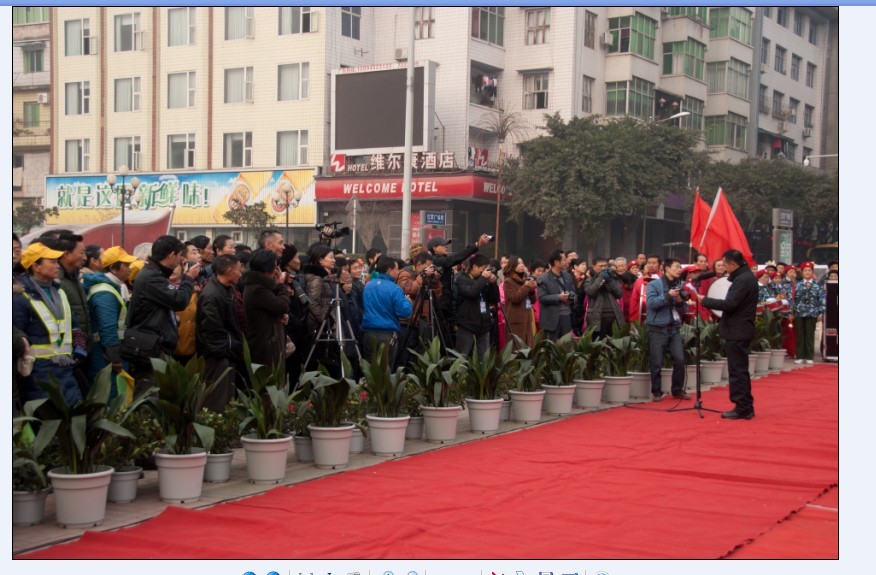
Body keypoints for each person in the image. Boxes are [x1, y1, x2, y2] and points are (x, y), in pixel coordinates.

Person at [12, 242, 88, 406]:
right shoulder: (20, 297)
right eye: (52, 262)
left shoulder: (59, 291)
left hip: (66, 367)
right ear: (36, 267)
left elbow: (73, 323)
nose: (57, 265)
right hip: (39, 372)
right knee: (48, 416)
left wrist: (80, 345)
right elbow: (17, 335)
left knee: (73, 413)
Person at [126, 235, 201, 397]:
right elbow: (179, 301)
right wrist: (188, 278)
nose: (181, 260)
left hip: (154, 344)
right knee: (147, 396)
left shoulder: (155, 274)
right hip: (149, 346)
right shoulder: (151, 277)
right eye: (180, 256)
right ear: (171, 255)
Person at [698, 249, 758, 420]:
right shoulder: (745, 277)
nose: (724, 268)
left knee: (737, 371)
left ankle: (742, 407)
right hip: (739, 329)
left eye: (725, 265)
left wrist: (705, 300)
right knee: (740, 370)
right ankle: (745, 405)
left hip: (738, 330)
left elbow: (731, 304)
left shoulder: (743, 280)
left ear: (733, 264)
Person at [82, 246, 138, 384]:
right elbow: (108, 326)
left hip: (106, 351)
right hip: (104, 355)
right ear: (113, 268)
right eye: (126, 265)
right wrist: (115, 357)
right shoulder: (105, 292)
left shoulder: (110, 287)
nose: (130, 269)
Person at [196, 254, 244, 411]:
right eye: (238, 270)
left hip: (227, 353)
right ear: (229, 271)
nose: (240, 274)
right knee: (216, 400)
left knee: (227, 399)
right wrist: (225, 351)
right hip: (217, 357)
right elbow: (211, 330)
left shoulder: (226, 289)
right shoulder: (212, 294)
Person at [429, 234, 491, 344]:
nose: (446, 247)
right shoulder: (436, 260)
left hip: (446, 305)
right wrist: (477, 245)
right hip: (439, 305)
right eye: (443, 245)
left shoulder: (444, 261)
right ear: (434, 248)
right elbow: (457, 257)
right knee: (440, 339)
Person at [646, 259, 690, 401]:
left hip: (674, 328)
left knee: (680, 359)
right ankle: (656, 391)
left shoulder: (680, 285)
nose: (679, 270)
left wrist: (680, 302)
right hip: (658, 328)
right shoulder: (654, 284)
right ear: (667, 269)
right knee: (657, 362)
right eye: (676, 267)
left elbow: (683, 310)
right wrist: (668, 295)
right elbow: (651, 304)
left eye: (680, 267)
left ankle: (677, 390)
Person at [243, 249, 290, 370]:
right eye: (275, 266)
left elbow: (273, 308)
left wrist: (279, 316)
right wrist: (281, 285)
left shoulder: (261, 285)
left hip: (269, 340)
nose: (277, 270)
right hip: (265, 344)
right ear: (269, 269)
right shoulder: (257, 289)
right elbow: (282, 305)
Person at [361, 256, 412, 365]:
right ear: (389, 270)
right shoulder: (394, 288)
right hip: (387, 333)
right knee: (385, 369)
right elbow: (404, 312)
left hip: (368, 333)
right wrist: (407, 302)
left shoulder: (368, 286)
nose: (398, 272)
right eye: (396, 269)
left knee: (370, 369)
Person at [396, 251, 441, 365]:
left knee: (421, 352)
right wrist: (422, 276)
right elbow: (408, 289)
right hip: (408, 321)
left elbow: (437, 296)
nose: (430, 269)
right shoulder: (405, 273)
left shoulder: (426, 277)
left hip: (423, 320)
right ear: (419, 264)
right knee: (405, 353)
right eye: (428, 266)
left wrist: (435, 281)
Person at [454, 253, 499, 356]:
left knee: (484, 359)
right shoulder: (462, 279)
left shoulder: (484, 280)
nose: (485, 272)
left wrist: (493, 284)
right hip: (467, 326)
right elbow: (472, 292)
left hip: (483, 326)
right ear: (474, 267)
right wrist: (483, 279)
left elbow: (494, 299)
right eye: (483, 269)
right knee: (462, 357)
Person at [791, 261, 825, 365]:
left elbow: (822, 299)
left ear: (812, 272)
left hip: (812, 313)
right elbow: (793, 299)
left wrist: (821, 313)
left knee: (810, 335)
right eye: (805, 270)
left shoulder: (817, 285)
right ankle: (800, 356)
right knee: (800, 335)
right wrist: (791, 312)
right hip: (799, 313)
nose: (807, 272)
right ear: (802, 272)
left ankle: (809, 356)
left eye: (809, 270)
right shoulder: (797, 285)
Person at [537, 249, 576, 341]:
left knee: (566, 345)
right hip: (551, 318)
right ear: (556, 262)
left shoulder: (567, 276)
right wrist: (559, 297)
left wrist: (571, 298)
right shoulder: (543, 278)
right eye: (564, 259)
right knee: (551, 345)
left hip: (566, 315)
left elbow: (574, 293)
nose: (566, 261)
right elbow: (542, 298)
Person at [584, 257, 625, 339]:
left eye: (605, 266)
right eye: (601, 266)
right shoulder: (590, 280)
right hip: (597, 317)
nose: (603, 268)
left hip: (613, 315)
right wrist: (601, 279)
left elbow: (619, 294)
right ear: (594, 267)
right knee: (598, 341)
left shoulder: (612, 279)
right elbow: (590, 292)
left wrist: (609, 280)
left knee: (613, 342)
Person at [502, 256, 537, 347]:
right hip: (516, 321)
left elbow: (533, 301)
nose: (522, 265)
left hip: (527, 319)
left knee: (528, 347)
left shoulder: (524, 280)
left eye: (522, 263)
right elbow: (515, 298)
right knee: (517, 348)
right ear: (513, 266)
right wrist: (526, 286)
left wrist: (532, 290)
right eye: (519, 263)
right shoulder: (508, 281)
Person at [629, 254, 661, 322]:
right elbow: (634, 300)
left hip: (659, 316)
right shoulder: (640, 280)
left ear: (659, 265)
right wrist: (633, 318)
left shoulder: (663, 279)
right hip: (641, 315)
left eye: (654, 263)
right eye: (649, 263)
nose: (651, 265)